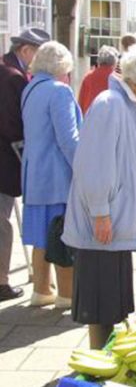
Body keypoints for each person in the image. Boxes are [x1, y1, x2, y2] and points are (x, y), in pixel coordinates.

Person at [63, 42, 136, 348]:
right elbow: (94, 165)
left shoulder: (128, 105)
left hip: (114, 222)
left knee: (113, 301)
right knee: (101, 302)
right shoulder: (110, 104)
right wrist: (100, 211)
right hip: (104, 224)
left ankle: (105, 358)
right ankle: (98, 361)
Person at [20, 41, 81, 308]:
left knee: (41, 238)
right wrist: (85, 168)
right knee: (62, 235)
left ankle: (41, 290)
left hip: (34, 173)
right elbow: (68, 139)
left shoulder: (30, 88)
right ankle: (66, 295)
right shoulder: (59, 91)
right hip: (57, 175)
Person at [0, 28, 49, 302]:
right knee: (1, 222)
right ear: (26, 50)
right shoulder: (13, 77)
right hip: (4, 160)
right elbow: (13, 123)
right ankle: (1, 281)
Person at [78, 46, 119, 114]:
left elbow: (81, 102)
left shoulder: (88, 77)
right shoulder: (117, 79)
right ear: (115, 62)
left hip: (90, 117)